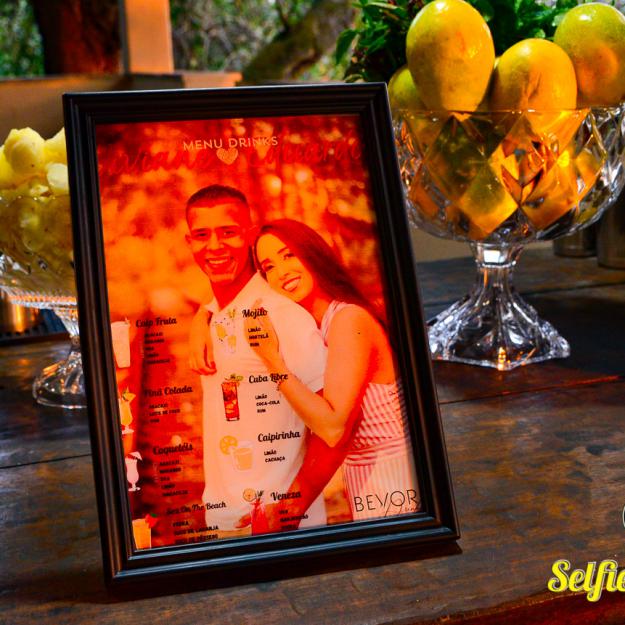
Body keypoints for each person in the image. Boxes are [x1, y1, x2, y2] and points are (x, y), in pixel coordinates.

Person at [185, 185, 346, 536]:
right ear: (189, 242)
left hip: (282, 526)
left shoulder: (281, 313)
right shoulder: (217, 313)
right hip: (225, 519)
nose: (214, 246)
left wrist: (291, 507)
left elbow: (336, 426)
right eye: (202, 235)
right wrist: (203, 314)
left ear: (249, 235)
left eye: (228, 232)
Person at [243, 219, 420, 521]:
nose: (282, 272)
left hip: (396, 476)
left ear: (312, 253)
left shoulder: (348, 320)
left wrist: (272, 361)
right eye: (269, 267)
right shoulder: (318, 328)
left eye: (289, 255)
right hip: (366, 479)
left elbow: (332, 427)